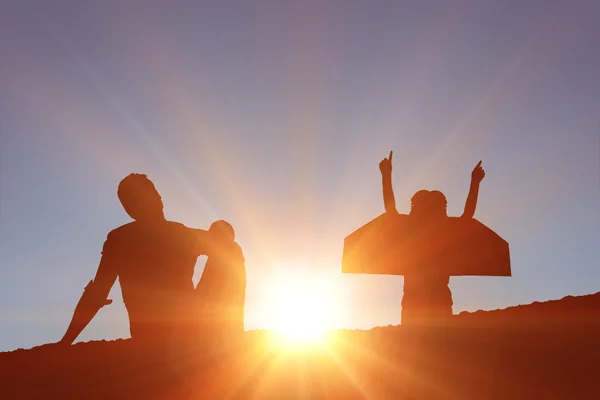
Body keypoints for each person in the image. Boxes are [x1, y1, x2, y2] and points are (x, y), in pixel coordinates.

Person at [58, 173, 219, 345]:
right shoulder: (120, 240)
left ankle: (222, 331)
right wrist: (66, 341)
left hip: (191, 329)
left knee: (226, 246)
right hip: (155, 336)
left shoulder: (182, 233)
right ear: (131, 207)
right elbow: (97, 293)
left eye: (155, 191)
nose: (158, 196)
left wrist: (220, 231)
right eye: (149, 193)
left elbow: (222, 243)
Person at [379, 151, 485, 325]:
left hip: (432, 299)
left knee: (432, 343)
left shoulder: (439, 231)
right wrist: (475, 183)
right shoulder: (429, 231)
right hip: (419, 299)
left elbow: (390, 211)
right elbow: (467, 216)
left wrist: (386, 175)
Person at [195, 220, 246, 351]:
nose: (209, 240)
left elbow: (209, 289)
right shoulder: (231, 253)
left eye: (213, 236)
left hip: (217, 328)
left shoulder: (227, 255)